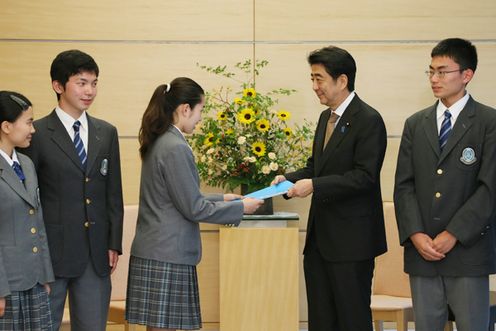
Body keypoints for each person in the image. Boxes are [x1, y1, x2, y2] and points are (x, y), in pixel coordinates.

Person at [125, 77, 263, 331]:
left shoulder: (159, 139)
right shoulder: (175, 146)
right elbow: (193, 207)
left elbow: (178, 198)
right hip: (168, 254)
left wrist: (224, 198)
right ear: (185, 109)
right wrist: (241, 208)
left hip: (156, 250)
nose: (200, 118)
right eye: (200, 110)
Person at [272, 46, 387, 331]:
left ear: (342, 80)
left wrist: (313, 185)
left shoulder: (369, 120)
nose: (314, 87)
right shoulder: (326, 118)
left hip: (352, 243)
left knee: (352, 319)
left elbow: (364, 177)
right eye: (312, 78)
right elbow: (316, 167)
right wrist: (288, 179)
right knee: (321, 320)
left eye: (319, 78)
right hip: (320, 242)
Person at [394, 38, 496, 331]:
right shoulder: (416, 123)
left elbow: (489, 189)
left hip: (468, 249)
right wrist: (415, 234)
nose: (435, 79)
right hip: (422, 251)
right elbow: (404, 186)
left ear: (466, 75)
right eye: (431, 71)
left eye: (443, 71)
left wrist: (453, 233)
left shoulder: (489, 122)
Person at [21, 50, 124, 331]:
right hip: (49, 256)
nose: (89, 91)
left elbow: (113, 193)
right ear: (58, 86)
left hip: (95, 254)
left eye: (94, 83)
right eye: (81, 82)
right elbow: (28, 200)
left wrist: (113, 242)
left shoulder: (107, 132)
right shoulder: (36, 134)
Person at [0, 91, 54, 330]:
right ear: (6, 126)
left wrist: (45, 274)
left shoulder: (27, 164)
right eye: (29, 122)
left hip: (34, 279)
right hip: (7, 284)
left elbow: (37, 220)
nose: (33, 129)